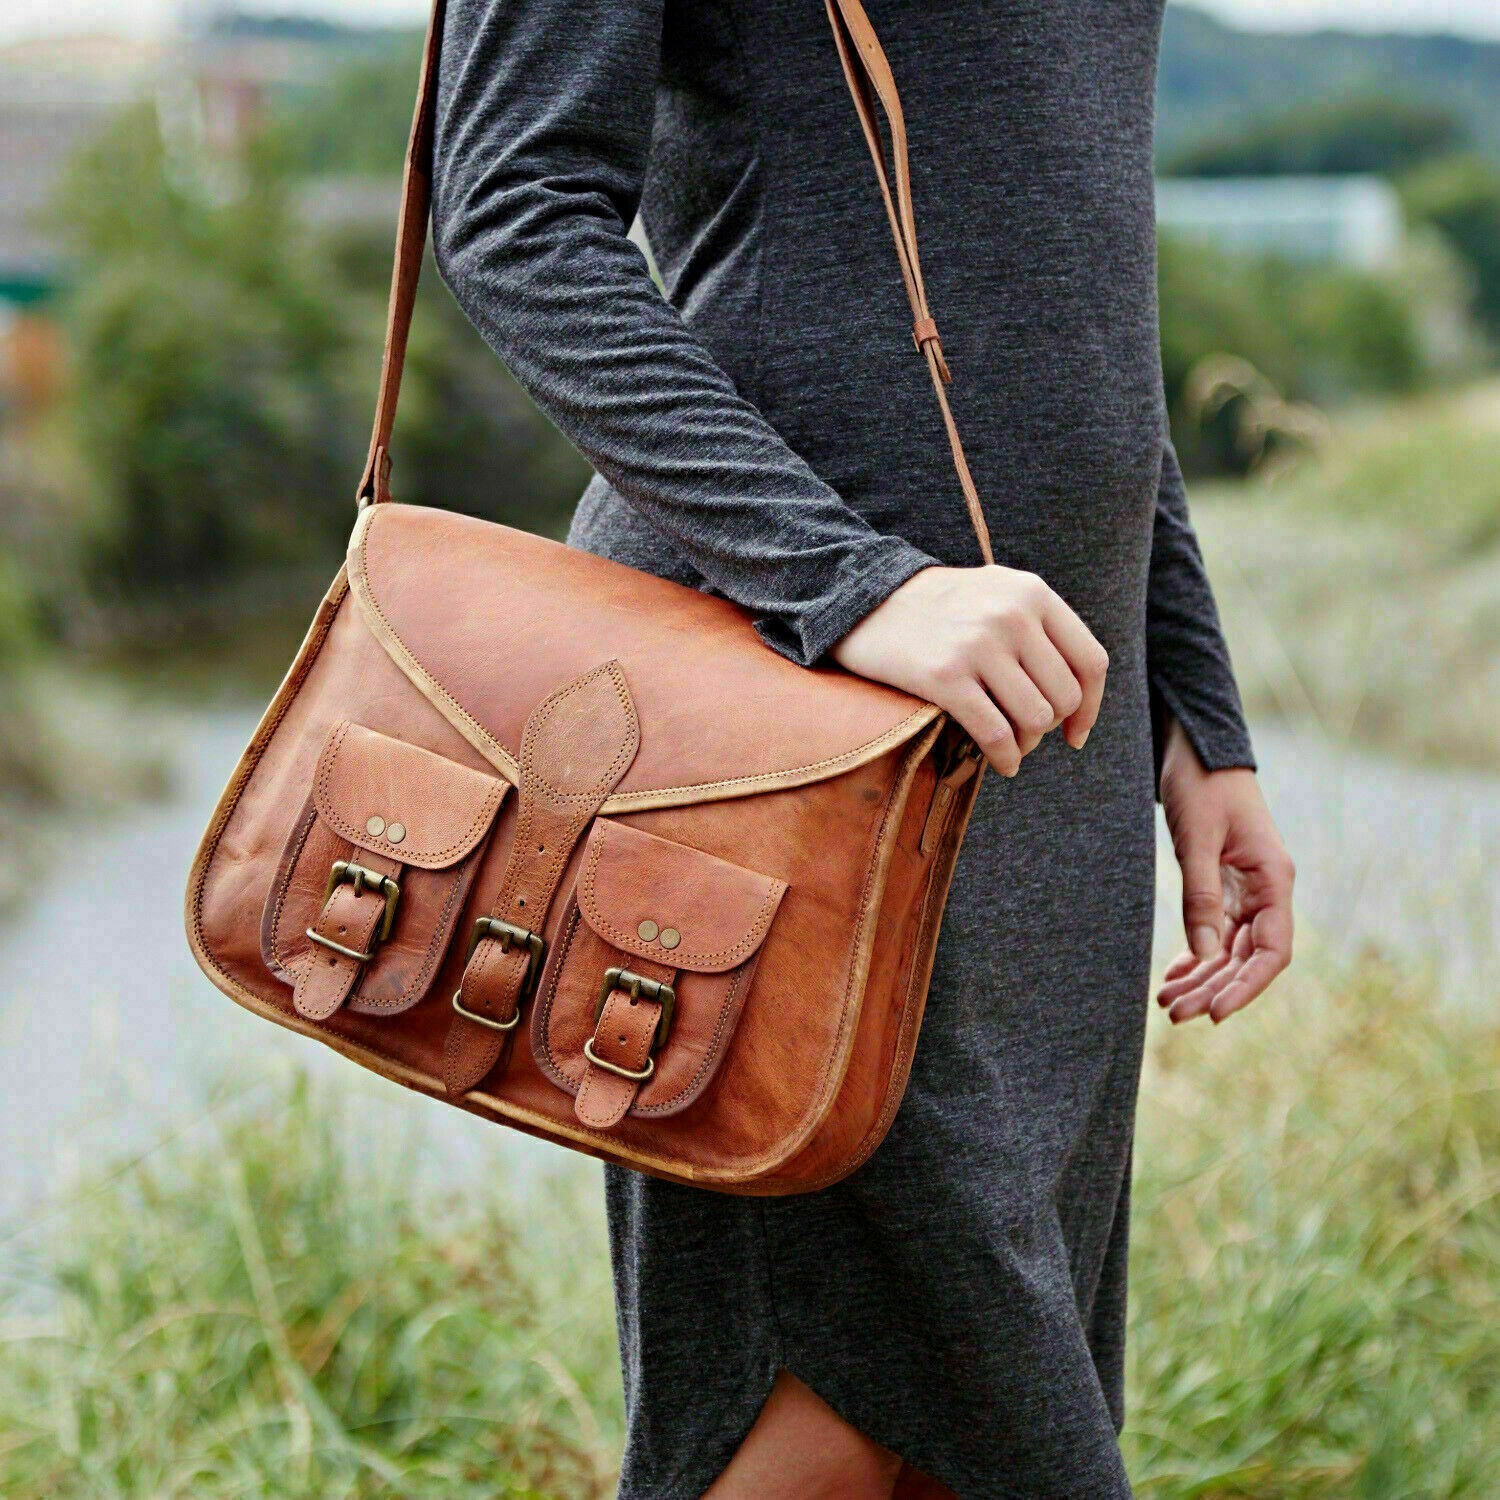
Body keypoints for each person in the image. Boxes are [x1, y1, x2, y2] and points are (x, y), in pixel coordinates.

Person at [430, 1, 1295, 1494]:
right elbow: (514, 211)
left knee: (978, 1428)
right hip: (794, 720)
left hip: (1048, 759)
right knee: (827, 1402)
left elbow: (1072, 283)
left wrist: (1192, 712)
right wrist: (852, 584)